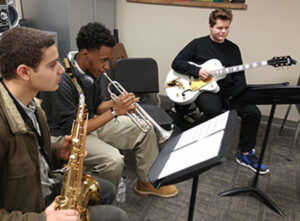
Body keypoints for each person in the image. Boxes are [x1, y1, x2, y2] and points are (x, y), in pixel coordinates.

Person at [0, 26, 128, 221]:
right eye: (52, 65)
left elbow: (28, 152)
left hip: (43, 185)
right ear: (24, 72)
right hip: (29, 211)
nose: (61, 69)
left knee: (107, 190)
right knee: (117, 216)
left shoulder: (33, 105)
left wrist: (56, 150)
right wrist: (43, 219)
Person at [39, 22, 178, 197]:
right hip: (66, 136)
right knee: (113, 161)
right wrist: (114, 112)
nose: (107, 67)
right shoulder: (62, 80)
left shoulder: (92, 72)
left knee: (146, 128)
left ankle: (146, 181)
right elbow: (73, 130)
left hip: (90, 122)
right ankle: (98, 201)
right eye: (103, 60)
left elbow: (97, 106)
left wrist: (117, 103)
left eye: (108, 60)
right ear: (85, 53)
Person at [171, 9, 269, 174]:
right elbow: (177, 63)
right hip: (206, 90)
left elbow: (239, 74)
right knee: (213, 111)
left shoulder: (233, 49)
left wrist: (241, 94)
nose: (223, 31)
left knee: (253, 112)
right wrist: (198, 71)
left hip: (230, 91)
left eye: (226, 28)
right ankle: (192, 143)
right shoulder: (197, 44)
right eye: (219, 28)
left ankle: (245, 153)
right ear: (210, 26)